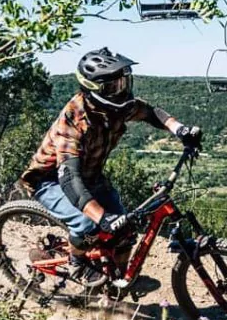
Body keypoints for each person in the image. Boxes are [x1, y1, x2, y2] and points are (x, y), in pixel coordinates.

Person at [20, 47, 201, 285]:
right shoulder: (73, 121)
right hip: (50, 180)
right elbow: (70, 180)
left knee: (124, 232)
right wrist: (101, 217)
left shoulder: (117, 106)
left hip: (90, 176)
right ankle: (77, 263)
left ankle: (117, 279)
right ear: (94, 90)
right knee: (88, 225)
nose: (122, 90)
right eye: (114, 86)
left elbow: (151, 113)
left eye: (124, 81)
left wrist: (180, 130)